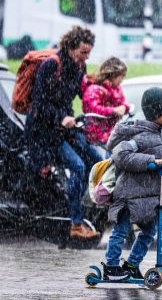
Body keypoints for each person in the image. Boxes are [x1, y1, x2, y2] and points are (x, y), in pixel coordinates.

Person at [25, 25, 103, 240]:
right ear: (71, 47)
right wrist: (61, 117)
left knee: (96, 160)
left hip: (65, 127)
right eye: (83, 52)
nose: (86, 57)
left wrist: (102, 103)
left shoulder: (80, 67)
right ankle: (75, 224)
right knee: (78, 166)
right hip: (44, 130)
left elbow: (82, 94)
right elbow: (39, 103)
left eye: (88, 53)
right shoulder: (52, 65)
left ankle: (75, 204)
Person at [101, 87, 162, 280]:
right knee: (121, 230)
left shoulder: (158, 133)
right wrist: (149, 162)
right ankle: (110, 267)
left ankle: (132, 264)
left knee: (150, 231)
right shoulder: (140, 135)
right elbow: (121, 155)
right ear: (157, 113)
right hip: (129, 194)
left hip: (149, 195)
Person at [81, 56, 130, 147]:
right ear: (113, 74)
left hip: (110, 135)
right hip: (96, 137)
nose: (122, 80)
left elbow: (122, 103)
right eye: (121, 76)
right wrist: (113, 111)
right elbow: (91, 108)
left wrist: (124, 107)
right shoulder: (94, 89)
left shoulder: (116, 89)